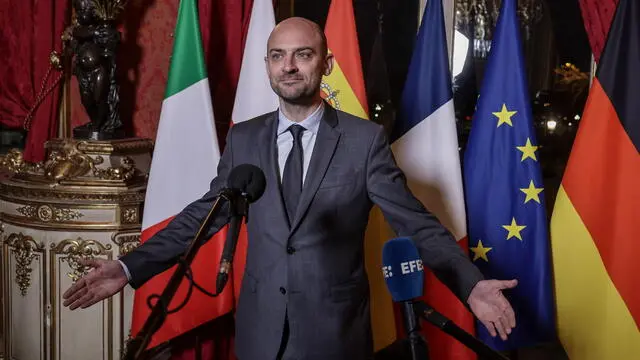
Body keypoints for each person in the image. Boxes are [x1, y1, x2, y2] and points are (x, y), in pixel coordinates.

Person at [63, 17, 517, 360]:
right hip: (260, 332)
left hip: (334, 333)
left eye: (303, 54)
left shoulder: (364, 141)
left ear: (326, 63)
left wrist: (471, 285)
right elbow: (203, 216)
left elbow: (416, 223)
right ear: (266, 65)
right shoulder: (244, 139)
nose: (290, 66)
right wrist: (126, 268)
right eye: (278, 56)